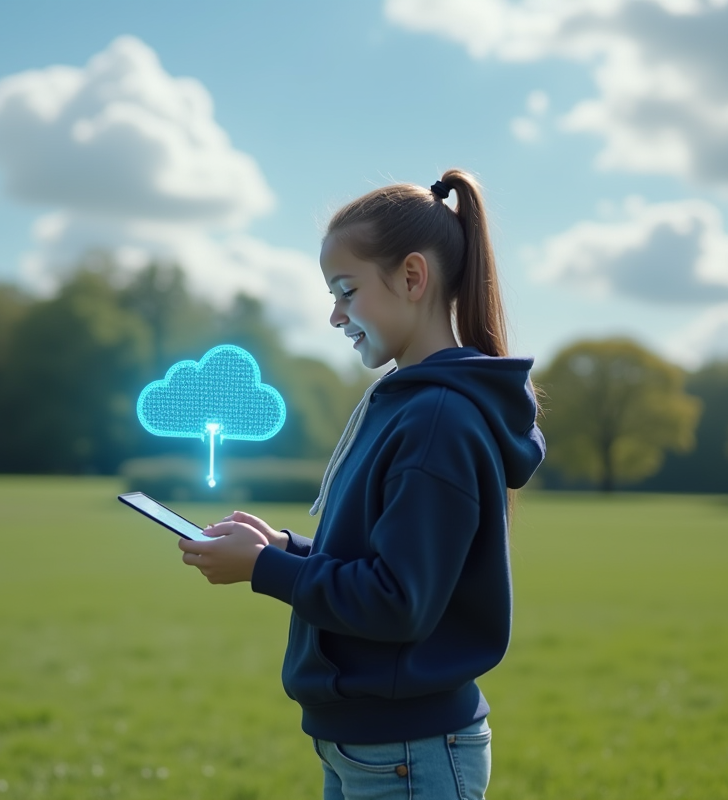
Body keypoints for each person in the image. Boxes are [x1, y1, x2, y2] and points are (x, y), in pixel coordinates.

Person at [177, 169, 546, 800]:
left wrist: (266, 570)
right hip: (370, 746)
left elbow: (398, 599)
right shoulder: (406, 407)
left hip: (408, 753)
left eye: (346, 291)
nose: (334, 314)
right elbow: (380, 561)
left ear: (411, 277)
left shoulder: (435, 420)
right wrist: (288, 548)